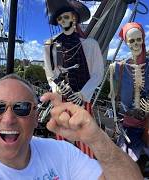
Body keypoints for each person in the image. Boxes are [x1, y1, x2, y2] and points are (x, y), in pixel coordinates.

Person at [0, 74, 142, 180]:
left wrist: (96, 138)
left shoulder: (61, 153)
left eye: (22, 108)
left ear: (36, 118)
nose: (8, 119)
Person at [44, 0, 104, 156]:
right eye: (60, 19)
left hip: (83, 100)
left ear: (74, 18)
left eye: (66, 17)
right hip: (62, 98)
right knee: (62, 140)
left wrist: (82, 94)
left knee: (86, 140)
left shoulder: (90, 44)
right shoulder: (51, 45)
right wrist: (58, 88)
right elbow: (50, 73)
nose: (63, 21)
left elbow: (98, 73)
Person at [108, 22, 149, 179]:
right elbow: (113, 98)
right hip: (128, 125)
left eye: (138, 39)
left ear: (143, 39)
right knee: (123, 163)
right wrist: (115, 120)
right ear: (126, 43)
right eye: (131, 41)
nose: (136, 44)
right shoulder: (117, 68)